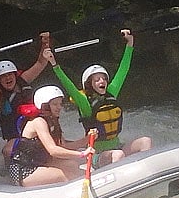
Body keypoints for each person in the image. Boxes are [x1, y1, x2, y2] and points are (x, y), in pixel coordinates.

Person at [47, 28, 152, 166]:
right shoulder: (85, 102)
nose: (101, 81)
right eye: (96, 80)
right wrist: (54, 64)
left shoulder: (111, 93)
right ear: (89, 84)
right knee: (118, 155)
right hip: (97, 155)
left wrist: (130, 44)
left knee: (145, 141)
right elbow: (69, 86)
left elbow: (123, 69)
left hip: (117, 147)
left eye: (103, 78)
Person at [0, 33, 52, 158]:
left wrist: (45, 43)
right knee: (8, 151)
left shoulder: (24, 79)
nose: (8, 78)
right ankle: (12, 164)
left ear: (15, 75)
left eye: (10, 74)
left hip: (38, 128)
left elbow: (41, 63)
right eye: (3, 76)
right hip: (17, 137)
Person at [5, 85, 95, 187]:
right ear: (45, 105)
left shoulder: (52, 120)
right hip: (24, 170)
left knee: (72, 165)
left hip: (40, 163)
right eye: (55, 104)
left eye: (60, 104)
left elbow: (63, 146)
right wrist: (82, 154)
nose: (59, 107)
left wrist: (86, 140)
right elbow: (53, 150)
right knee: (65, 176)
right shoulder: (38, 122)